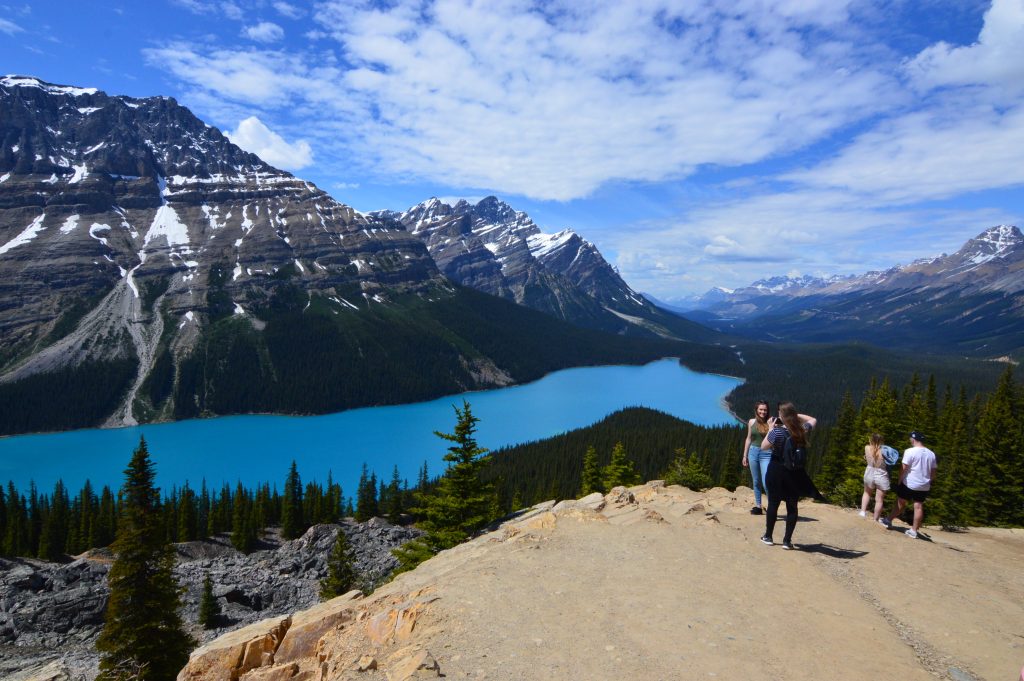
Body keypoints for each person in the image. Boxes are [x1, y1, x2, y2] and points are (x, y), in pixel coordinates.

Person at [759, 402, 820, 550]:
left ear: (782, 416)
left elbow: (763, 446)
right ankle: (787, 541)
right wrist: (794, 416)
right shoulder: (801, 431)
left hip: (776, 471)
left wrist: (771, 429)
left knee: (773, 503)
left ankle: (768, 536)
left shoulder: (777, 432)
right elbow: (813, 420)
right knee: (792, 506)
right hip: (794, 473)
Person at [882, 431, 937, 539]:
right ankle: (914, 530)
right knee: (918, 506)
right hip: (924, 485)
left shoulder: (910, 451)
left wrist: (899, 481)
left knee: (901, 502)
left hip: (909, 483)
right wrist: (929, 482)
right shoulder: (931, 454)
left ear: (913, 439)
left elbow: (903, 468)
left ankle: (888, 520)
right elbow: (933, 472)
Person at [741, 400, 772, 515]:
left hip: (767, 453)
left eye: (765, 410)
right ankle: (758, 506)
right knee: (756, 481)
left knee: (766, 481)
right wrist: (745, 455)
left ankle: (771, 506)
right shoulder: (751, 422)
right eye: (761, 409)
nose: (763, 412)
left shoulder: (771, 422)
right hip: (753, 452)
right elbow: (749, 438)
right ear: (756, 410)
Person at [859, 433, 890, 521]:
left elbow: (869, 456)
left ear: (871, 439)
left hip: (870, 471)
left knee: (867, 493)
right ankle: (875, 519)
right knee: (879, 499)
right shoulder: (884, 451)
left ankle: (862, 512)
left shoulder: (867, 447)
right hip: (881, 473)